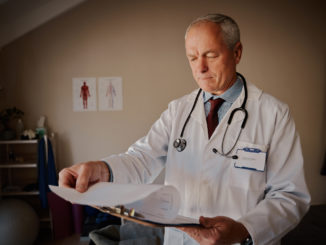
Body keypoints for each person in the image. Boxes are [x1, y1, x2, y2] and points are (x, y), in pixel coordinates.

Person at [59, 14, 310, 245]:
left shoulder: (273, 114)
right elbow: (141, 159)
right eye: (192, 57)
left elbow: (290, 196)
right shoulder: (178, 110)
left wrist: (243, 229)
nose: (200, 68)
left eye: (210, 55)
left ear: (237, 52)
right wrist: (101, 170)